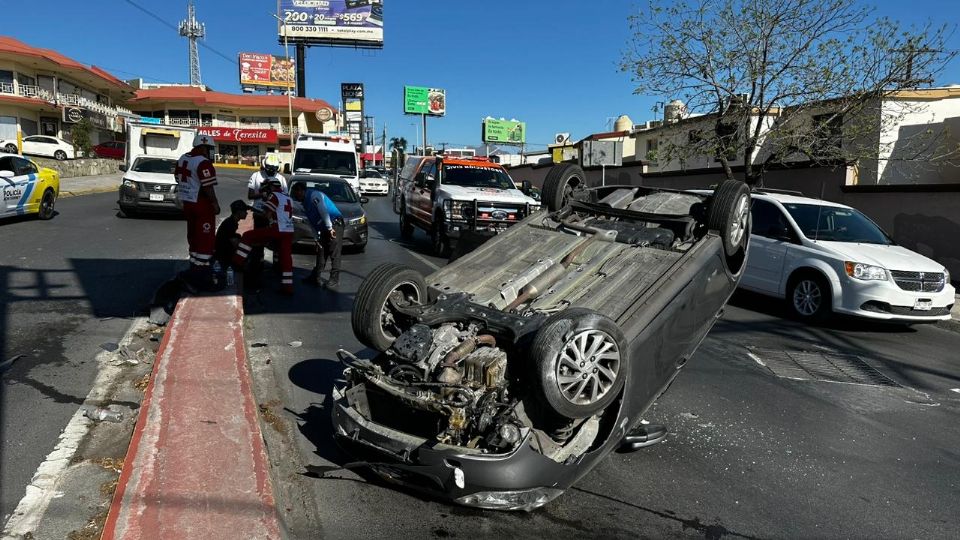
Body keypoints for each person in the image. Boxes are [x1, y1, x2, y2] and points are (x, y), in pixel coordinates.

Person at [233, 178, 295, 295]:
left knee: (247, 236)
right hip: (289, 230)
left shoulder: (274, 196)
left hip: (277, 229)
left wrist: (255, 212)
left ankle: (237, 263)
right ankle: (288, 287)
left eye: (265, 188)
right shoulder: (288, 197)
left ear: (270, 187)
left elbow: (267, 215)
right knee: (286, 258)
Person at [175, 133, 221, 289]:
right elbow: (208, 186)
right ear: (203, 147)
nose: (210, 152)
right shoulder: (203, 163)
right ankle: (202, 276)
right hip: (201, 204)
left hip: (187, 203)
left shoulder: (183, 158)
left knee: (193, 237)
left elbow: (177, 177)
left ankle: (193, 270)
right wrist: (214, 204)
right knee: (205, 240)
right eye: (209, 149)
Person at [289, 182, 344, 288]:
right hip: (324, 227)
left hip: (334, 224)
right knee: (321, 251)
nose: (296, 197)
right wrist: (316, 238)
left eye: (296, 194)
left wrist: (329, 228)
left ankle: (334, 279)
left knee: (334, 251)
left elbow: (323, 211)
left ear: (302, 191)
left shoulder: (315, 196)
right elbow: (311, 222)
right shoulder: (304, 203)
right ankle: (315, 277)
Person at [213, 200, 251, 270]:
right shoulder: (230, 224)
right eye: (244, 211)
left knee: (239, 236)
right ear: (238, 212)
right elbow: (236, 244)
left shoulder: (231, 221)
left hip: (222, 253)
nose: (246, 213)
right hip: (223, 256)